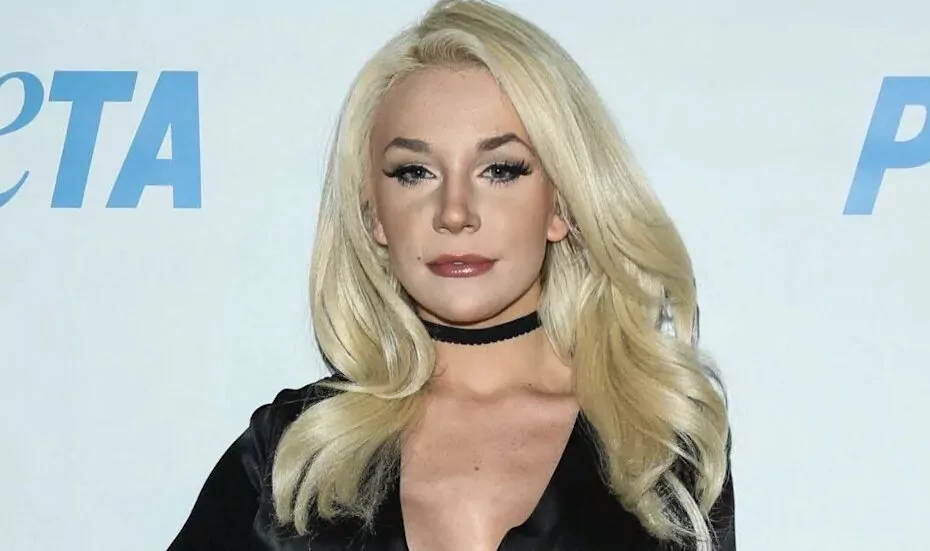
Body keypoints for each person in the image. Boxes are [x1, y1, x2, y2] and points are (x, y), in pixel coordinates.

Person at [167, 0, 735, 549]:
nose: (455, 212)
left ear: (560, 203)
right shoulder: (292, 459)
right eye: (415, 172)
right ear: (374, 214)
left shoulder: (654, 446)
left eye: (500, 169)